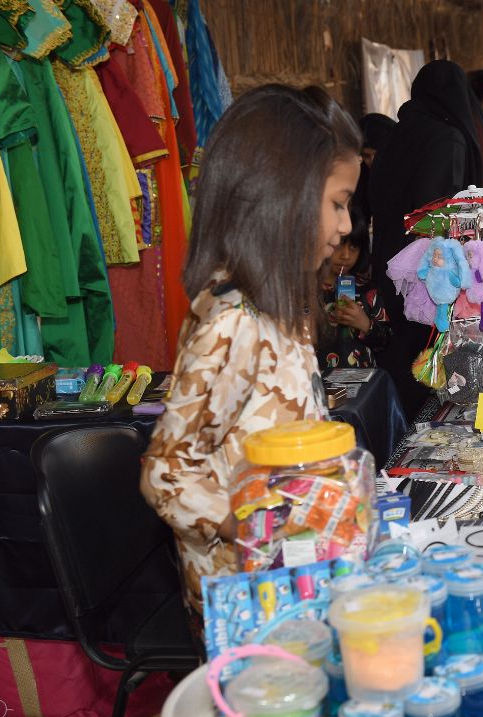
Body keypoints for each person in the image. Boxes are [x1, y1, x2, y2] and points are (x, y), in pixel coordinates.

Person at [141, 85, 360, 616]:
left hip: (291, 584)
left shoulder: (279, 311)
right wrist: (261, 531)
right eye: (337, 204)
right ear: (281, 197)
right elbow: (166, 475)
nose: (347, 226)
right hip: (249, 606)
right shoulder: (234, 324)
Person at [371, 60, 483, 419]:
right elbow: (437, 210)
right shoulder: (447, 137)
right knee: (425, 355)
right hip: (427, 272)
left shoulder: (400, 131)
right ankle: (418, 432)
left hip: (391, 261)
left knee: (404, 349)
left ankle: (398, 427)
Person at [317, 207, 389, 370]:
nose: (346, 255)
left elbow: (385, 342)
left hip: (362, 384)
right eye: (339, 245)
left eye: (353, 247)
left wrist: (365, 324)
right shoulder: (306, 290)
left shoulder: (368, 290)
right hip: (318, 382)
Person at [351, 112, 396, 225]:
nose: (372, 161)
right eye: (366, 156)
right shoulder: (364, 173)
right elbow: (359, 215)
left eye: (378, 153)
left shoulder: (414, 171)